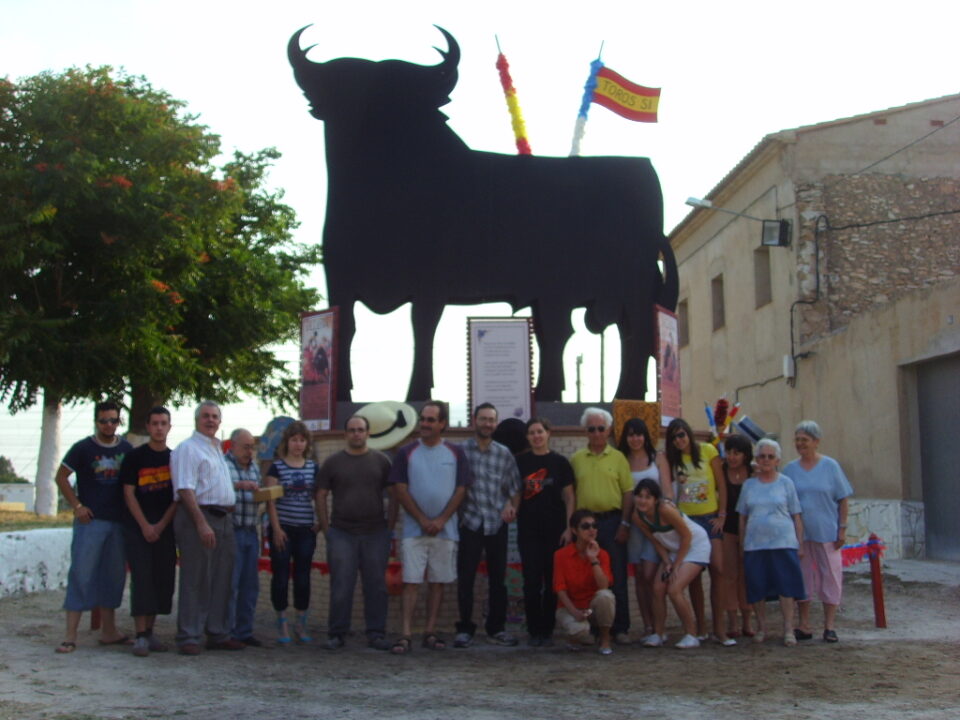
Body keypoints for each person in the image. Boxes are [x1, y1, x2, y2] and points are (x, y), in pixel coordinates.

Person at [388, 400, 472, 654]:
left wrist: (442, 519)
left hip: (446, 531)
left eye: (430, 420)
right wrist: (423, 519)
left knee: (438, 582)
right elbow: (399, 489)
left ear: (442, 424)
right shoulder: (406, 452)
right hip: (414, 531)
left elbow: (462, 489)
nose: (424, 424)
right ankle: (405, 634)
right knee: (411, 582)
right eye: (423, 419)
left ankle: (430, 631)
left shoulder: (456, 453)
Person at [54, 400, 133, 653]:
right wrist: (77, 506)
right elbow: (61, 477)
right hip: (90, 522)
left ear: (119, 421)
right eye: (103, 420)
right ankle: (70, 635)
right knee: (81, 574)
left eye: (113, 420)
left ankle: (109, 631)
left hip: (118, 523)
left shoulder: (127, 449)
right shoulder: (83, 448)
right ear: (96, 421)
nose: (108, 425)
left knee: (114, 577)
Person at [316, 413, 396, 651]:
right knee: (341, 584)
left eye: (360, 430)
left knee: (376, 586)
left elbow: (395, 495)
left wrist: (390, 526)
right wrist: (326, 528)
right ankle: (337, 633)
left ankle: (376, 633)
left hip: (375, 533)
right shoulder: (333, 462)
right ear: (345, 434)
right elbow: (320, 494)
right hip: (342, 533)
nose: (356, 434)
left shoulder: (382, 461)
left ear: (368, 433)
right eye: (352, 430)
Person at [171, 401, 243, 654]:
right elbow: (184, 488)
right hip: (198, 517)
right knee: (196, 578)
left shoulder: (216, 451)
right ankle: (189, 635)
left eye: (215, 416)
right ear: (196, 420)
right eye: (206, 416)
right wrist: (201, 524)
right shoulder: (188, 449)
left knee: (222, 578)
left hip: (224, 520)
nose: (210, 420)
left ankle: (217, 632)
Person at [454, 403, 522, 648]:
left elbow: (515, 489)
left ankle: (496, 628)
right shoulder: (461, 452)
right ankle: (465, 630)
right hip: (469, 522)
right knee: (466, 579)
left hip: (496, 524)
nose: (487, 424)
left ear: (496, 423)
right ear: (474, 421)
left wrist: (511, 506)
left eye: (491, 420)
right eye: (483, 419)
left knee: (498, 580)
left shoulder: (504, 454)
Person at [783, 420, 853, 643]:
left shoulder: (830, 466)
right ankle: (804, 624)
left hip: (827, 532)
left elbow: (843, 500)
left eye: (804, 440)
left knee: (831, 576)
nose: (800, 444)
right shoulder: (790, 470)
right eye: (797, 440)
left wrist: (842, 529)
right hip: (800, 535)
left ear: (816, 441)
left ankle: (829, 626)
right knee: (803, 578)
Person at [569, 407, 633, 644]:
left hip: (613, 521)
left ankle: (621, 627)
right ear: (585, 431)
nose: (596, 433)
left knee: (616, 574)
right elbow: (571, 494)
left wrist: (625, 523)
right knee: (588, 576)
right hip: (586, 525)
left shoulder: (618, 458)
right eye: (591, 429)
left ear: (608, 431)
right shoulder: (576, 459)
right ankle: (594, 627)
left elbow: (628, 493)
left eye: (600, 428)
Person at [665, 417, 731, 644]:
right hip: (688, 521)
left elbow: (721, 484)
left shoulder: (707, 450)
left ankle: (720, 629)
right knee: (693, 577)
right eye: (674, 437)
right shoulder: (673, 460)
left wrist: (722, 514)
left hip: (710, 518)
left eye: (682, 435)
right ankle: (700, 626)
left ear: (689, 434)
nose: (679, 440)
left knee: (718, 569)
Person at [120, 406, 177, 657]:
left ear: (169, 427)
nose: (159, 428)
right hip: (138, 528)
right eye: (155, 423)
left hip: (165, 528)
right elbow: (128, 493)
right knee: (142, 579)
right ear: (148, 426)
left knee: (161, 579)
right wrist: (145, 525)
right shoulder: (135, 457)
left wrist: (161, 525)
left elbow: (179, 496)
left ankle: (151, 631)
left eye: (163, 423)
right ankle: (140, 634)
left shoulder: (175, 458)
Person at [736, 438, 805, 646]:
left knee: (786, 587)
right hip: (755, 544)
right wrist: (742, 543)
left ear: (777, 460)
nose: (765, 460)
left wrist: (799, 543)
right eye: (762, 456)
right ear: (756, 459)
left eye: (770, 456)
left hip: (783, 542)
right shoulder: (748, 485)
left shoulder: (786, 483)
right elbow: (742, 517)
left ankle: (788, 629)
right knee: (757, 586)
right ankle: (761, 628)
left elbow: (796, 515)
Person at [515, 417, 575, 647]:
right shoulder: (520, 462)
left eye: (540, 431)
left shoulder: (560, 462)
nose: (536, 436)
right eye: (532, 433)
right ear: (528, 437)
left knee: (552, 582)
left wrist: (569, 528)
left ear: (548, 433)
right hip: (528, 530)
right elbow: (516, 493)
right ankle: (534, 630)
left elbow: (569, 497)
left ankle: (547, 629)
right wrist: (511, 507)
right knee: (530, 581)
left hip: (556, 531)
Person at [631, 478, 711, 649]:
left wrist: (677, 565)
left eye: (647, 497)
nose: (642, 501)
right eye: (639, 496)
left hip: (695, 545)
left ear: (655, 499)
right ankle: (658, 633)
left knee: (674, 589)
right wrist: (667, 561)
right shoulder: (637, 516)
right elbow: (655, 540)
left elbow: (687, 536)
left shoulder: (666, 510)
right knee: (657, 588)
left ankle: (691, 634)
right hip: (674, 550)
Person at [264, 420, 320, 645]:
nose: (297, 444)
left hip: (306, 529)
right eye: (294, 440)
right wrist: (276, 529)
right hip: (283, 528)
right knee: (280, 576)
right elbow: (270, 500)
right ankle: (282, 622)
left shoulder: (313, 467)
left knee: (303, 577)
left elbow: (318, 496)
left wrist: (319, 520)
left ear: (306, 443)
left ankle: (301, 622)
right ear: (286, 442)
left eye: (301, 440)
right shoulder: (277, 467)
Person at [618, 417, 672, 645]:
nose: (635, 439)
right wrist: (626, 523)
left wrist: (665, 516)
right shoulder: (622, 460)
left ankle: (660, 625)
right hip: (633, 524)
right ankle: (648, 625)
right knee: (639, 575)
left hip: (655, 525)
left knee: (651, 574)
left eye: (639, 434)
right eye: (630, 434)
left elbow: (667, 491)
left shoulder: (657, 458)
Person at [553, 509, 615, 655]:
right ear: (574, 530)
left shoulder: (603, 554)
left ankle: (605, 638)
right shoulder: (561, 555)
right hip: (570, 607)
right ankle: (578, 637)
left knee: (606, 596)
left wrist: (594, 560)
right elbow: (559, 589)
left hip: (591, 606)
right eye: (586, 527)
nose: (591, 530)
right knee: (579, 631)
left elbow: (604, 585)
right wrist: (574, 612)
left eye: (594, 526)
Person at [225, 428, 263, 647]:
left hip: (251, 530)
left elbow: (256, 494)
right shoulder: (224, 465)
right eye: (246, 447)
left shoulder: (255, 467)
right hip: (232, 530)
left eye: (252, 447)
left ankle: (244, 631)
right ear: (233, 445)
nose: (250, 451)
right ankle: (227, 631)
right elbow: (218, 488)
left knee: (250, 585)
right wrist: (241, 485)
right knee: (231, 583)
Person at [719, 433, 755, 638]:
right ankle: (732, 621)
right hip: (728, 529)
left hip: (750, 530)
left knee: (747, 575)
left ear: (745, 454)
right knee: (730, 575)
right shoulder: (721, 471)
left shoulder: (753, 472)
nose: (732, 457)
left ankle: (748, 620)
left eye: (737, 453)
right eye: (729, 452)